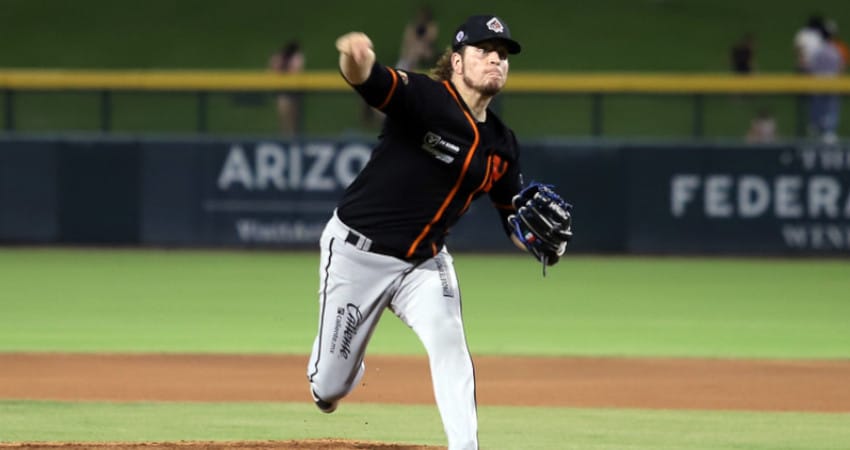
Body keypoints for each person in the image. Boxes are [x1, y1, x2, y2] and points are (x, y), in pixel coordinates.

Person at [306, 15, 571, 450]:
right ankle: (337, 372)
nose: (495, 59)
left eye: (502, 55)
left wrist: (537, 242)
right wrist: (356, 60)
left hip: (424, 263)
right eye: (484, 51)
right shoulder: (425, 99)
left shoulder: (502, 144)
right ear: (456, 61)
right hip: (357, 253)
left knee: (451, 342)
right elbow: (369, 81)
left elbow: (512, 217)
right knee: (328, 387)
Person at [808, 25, 845, 143]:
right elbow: (841, 67)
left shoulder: (817, 50)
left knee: (819, 107)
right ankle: (828, 131)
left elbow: (811, 67)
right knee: (831, 107)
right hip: (832, 82)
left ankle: (816, 129)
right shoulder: (836, 50)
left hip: (818, 82)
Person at [268, 40, 305, 135]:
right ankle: (286, 137)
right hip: (283, 93)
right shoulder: (279, 57)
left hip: (293, 93)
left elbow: (297, 72)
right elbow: (272, 71)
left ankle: (292, 137)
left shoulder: (296, 57)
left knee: (293, 120)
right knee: (285, 119)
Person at [396, 6, 439, 71]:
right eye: (420, 16)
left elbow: (429, 39)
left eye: (423, 16)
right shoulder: (413, 26)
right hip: (411, 53)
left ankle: (410, 69)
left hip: (426, 51)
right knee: (411, 53)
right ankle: (403, 69)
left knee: (417, 50)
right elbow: (407, 40)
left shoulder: (431, 27)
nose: (421, 18)